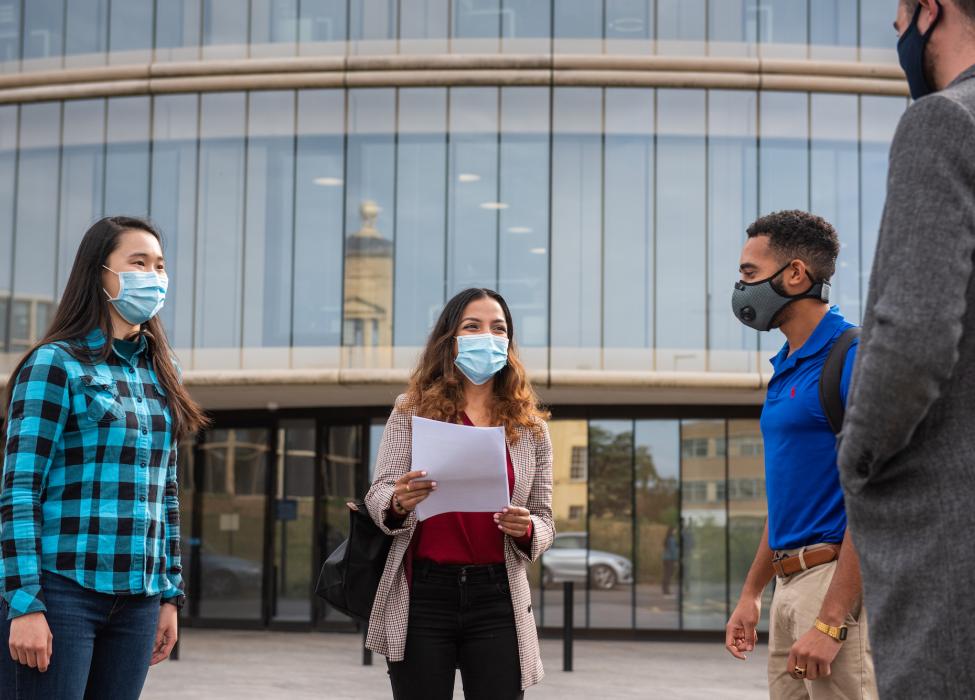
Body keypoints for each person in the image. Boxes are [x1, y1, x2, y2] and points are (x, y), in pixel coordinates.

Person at [0, 217, 207, 698]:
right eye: (138, 262)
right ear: (100, 274)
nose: (153, 276)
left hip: (139, 601)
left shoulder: (164, 370)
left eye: (159, 265)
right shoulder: (55, 363)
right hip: (62, 593)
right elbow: (19, 490)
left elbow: (166, 491)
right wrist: (25, 604)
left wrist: (169, 595)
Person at [837, 1, 975, 695]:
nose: (895, 34)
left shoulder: (943, 121)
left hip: (950, 543)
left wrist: (857, 460)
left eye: (897, 15)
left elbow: (913, 332)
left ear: (931, 10)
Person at [364, 287, 554, 700]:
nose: (487, 336)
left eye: (498, 328)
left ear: (509, 342)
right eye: (473, 326)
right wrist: (397, 502)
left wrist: (525, 528)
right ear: (450, 338)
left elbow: (545, 518)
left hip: (497, 593)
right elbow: (378, 492)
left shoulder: (531, 427)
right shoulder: (411, 409)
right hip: (423, 593)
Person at [725, 211, 877, 699]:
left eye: (750, 273)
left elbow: (871, 500)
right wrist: (752, 593)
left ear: (794, 274)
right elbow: (789, 501)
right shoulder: (786, 366)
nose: (741, 286)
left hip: (832, 585)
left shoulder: (852, 357)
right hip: (787, 587)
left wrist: (832, 622)